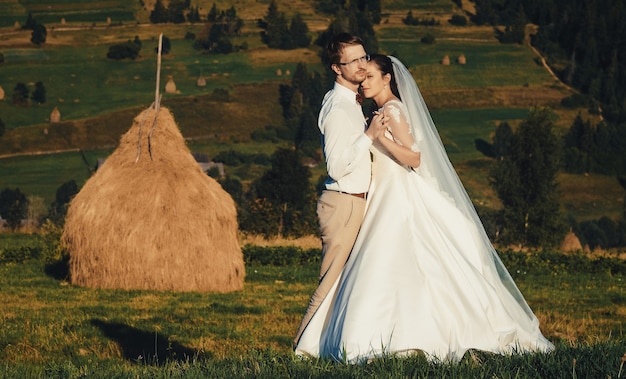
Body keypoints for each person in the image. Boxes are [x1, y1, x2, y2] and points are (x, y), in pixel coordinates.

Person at [294, 54, 555, 363]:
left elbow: (415, 158)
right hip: (382, 193)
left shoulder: (394, 110)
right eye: (362, 79)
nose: (365, 83)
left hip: (398, 192)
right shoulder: (377, 112)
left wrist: (378, 140)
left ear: (387, 79)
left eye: (371, 77)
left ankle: (410, 332)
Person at [292, 35, 387, 348]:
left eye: (364, 57)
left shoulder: (350, 103)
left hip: (353, 203)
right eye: (353, 61)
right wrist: (369, 135)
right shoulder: (337, 108)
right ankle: (302, 351)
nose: (362, 65)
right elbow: (335, 166)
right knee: (330, 282)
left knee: (346, 281)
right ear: (336, 67)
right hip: (342, 204)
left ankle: (331, 346)